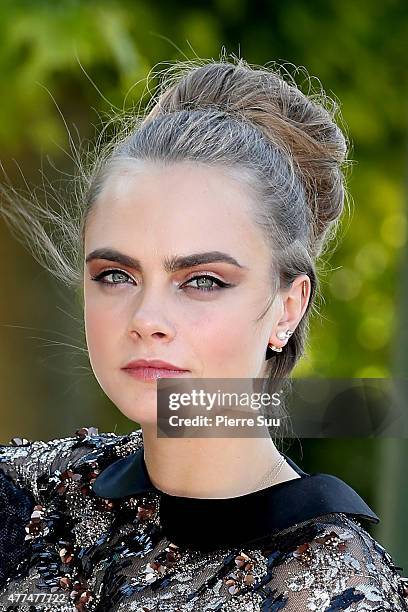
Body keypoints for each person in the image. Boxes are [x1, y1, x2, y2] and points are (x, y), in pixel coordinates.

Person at [0, 54, 407, 611]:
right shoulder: (30, 497)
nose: (146, 319)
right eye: (116, 275)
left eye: (202, 281)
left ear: (287, 309)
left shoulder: (330, 590)